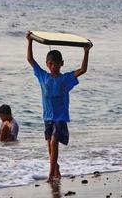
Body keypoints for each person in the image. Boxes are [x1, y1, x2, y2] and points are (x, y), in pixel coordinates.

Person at [26, 31, 92, 182]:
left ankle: (50, 174)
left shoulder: (65, 79)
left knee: (55, 141)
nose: (54, 66)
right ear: (47, 64)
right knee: (50, 145)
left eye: (57, 64)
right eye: (51, 64)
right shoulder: (43, 76)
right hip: (47, 117)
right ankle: (56, 167)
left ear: (62, 63)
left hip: (61, 117)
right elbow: (30, 59)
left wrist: (86, 52)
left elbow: (83, 70)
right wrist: (30, 41)